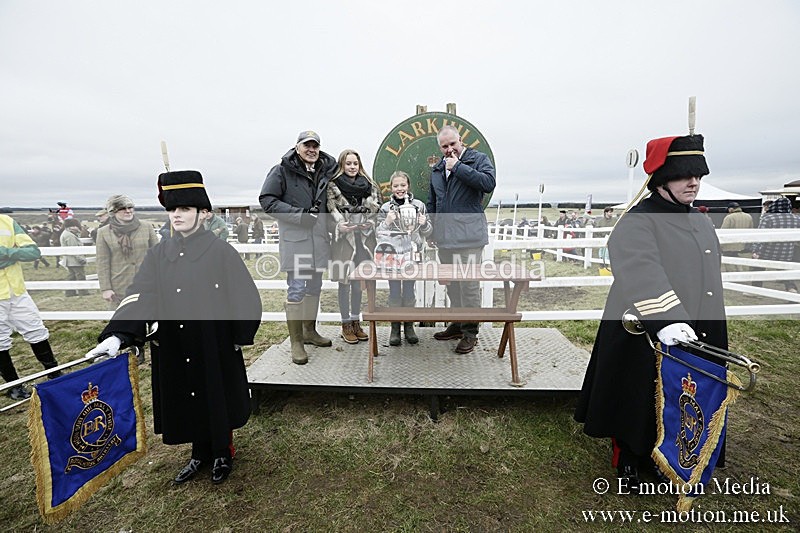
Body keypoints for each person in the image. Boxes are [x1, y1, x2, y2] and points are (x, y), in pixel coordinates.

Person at [85, 170, 261, 485]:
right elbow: (141, 293)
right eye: (172, 209)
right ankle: (198, 454)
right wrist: (118, 333)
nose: (176, 215)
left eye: (184, 209)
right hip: (176, 343)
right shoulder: (159, 253)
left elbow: (245, 295)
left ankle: (222, 451)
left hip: (212, 341)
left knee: (213, 395)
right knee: (188, 396)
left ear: (204, 213)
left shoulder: (220, 251)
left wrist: (239, 335)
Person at [574, 134, 728, 493]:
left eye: (698, 175)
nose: (693, 182)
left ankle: (677, 457)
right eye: (683, 175)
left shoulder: (702, 221)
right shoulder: (637, 220)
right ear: (661, 179)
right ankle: (630, 455)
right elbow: (641, 268)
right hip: (646, 325)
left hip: (698, 327)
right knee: (639, 393)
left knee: (686, 396)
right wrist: (669, 318)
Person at [259, 130, 337, 365]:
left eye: (315, 146)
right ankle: (296, 342)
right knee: (297, 290)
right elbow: (267, 200)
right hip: (297, 242)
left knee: (315, 287)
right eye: (307, 145)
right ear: (297, 147)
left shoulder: (325, 171)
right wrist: (299, 215)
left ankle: (309, 332)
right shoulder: (281, 171)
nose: (312, 150)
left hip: (319, 241)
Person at [427, 124, 496, 354]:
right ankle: (456, 324)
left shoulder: (478, 160)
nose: (449, 149)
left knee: (468, 286)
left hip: (469, 237)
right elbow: (433, 203)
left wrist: (458, 167)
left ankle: (470, 333)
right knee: (452, 285)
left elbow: (488, 184)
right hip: (444, 238)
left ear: (461, 140)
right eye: (444, 146)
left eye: (452, 144)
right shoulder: (437, 170)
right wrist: (431, 231)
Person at [0, 214, 63, 400]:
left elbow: (33, 252)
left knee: (36, 330)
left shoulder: (7, 221)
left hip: (17, 292)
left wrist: (7, 253)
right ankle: (14, 385)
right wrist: (13, 253)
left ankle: (54, 373)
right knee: (0, 341)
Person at [327, 149, 382, 344]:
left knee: (360, 283)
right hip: (344, 241)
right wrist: (339, 225)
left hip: (364, 241)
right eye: (348, 163)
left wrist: (371, 222)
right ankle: (345, 324)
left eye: (355, 163)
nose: (352, 167)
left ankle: (356, 321)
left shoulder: (370, 186)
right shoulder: (333, 187)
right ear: (342, 165)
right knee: (344, 283)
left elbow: (377, 211)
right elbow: (328, 213)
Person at [377, 170, 432, 346]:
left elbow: (428, 231)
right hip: (392, 256)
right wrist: (387, 221)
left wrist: (424, 224)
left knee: (409, 289)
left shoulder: (419, 206)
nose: (400, 189)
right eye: (396, 186)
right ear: (391, 188)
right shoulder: (386, 208)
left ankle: (409, 326)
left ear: (408, 186)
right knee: (394, 290)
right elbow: (378, 233)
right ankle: (395, 328)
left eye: (403, 185)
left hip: (412, 253)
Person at [95, 194, 159, 309]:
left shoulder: (146, 227)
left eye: (130, 208)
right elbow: (102, 263)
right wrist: (106, 288)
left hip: (147, 284)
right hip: (119, 287)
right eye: (123, 208)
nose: (128, 211)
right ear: (113, 212)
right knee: (122, 324)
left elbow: (158, 256)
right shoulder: (103, 232)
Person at [751, 196, 799, 292]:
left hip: (768, 250)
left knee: (758, 269)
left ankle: (755, 289)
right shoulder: (796, 219)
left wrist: (756, 250)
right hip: (787, 251)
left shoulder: (768, 218)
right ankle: (791, 288)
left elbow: (760, 236)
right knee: (785, 271)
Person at [59, 218, 89, 297]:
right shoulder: (70, 235)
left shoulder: (66, 233)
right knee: (80, 276)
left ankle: (70, 292)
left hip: (69, 260)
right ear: (72, 226)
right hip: (74, 260)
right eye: (75, 226)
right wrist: (81, 259)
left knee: (71, 276)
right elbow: (74, 249)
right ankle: (83, 292)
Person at [720, 201, 753, 272]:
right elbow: (751, 230)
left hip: (729, 246)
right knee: (741, 265)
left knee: (730, 265)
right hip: (743, 245)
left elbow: (723, 231)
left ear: (731, 209)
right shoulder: (748, 216)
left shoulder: (729, 217)